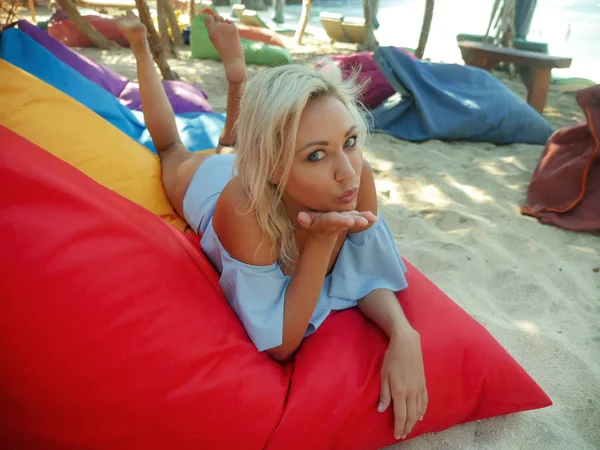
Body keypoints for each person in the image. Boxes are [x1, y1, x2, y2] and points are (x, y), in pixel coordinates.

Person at [117, 14, 427, 441]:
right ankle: (140, 46)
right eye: (317, 156)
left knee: (235, 142)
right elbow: (281, 344)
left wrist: (403, 334)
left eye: (350, 142)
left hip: (262, 165)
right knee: (172, 148)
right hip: (209, 186)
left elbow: (366, 273)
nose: (347, 173)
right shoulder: (245, 210)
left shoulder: (357, 176)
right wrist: (320, 240)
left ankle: (237, 79)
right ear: (275, 168)